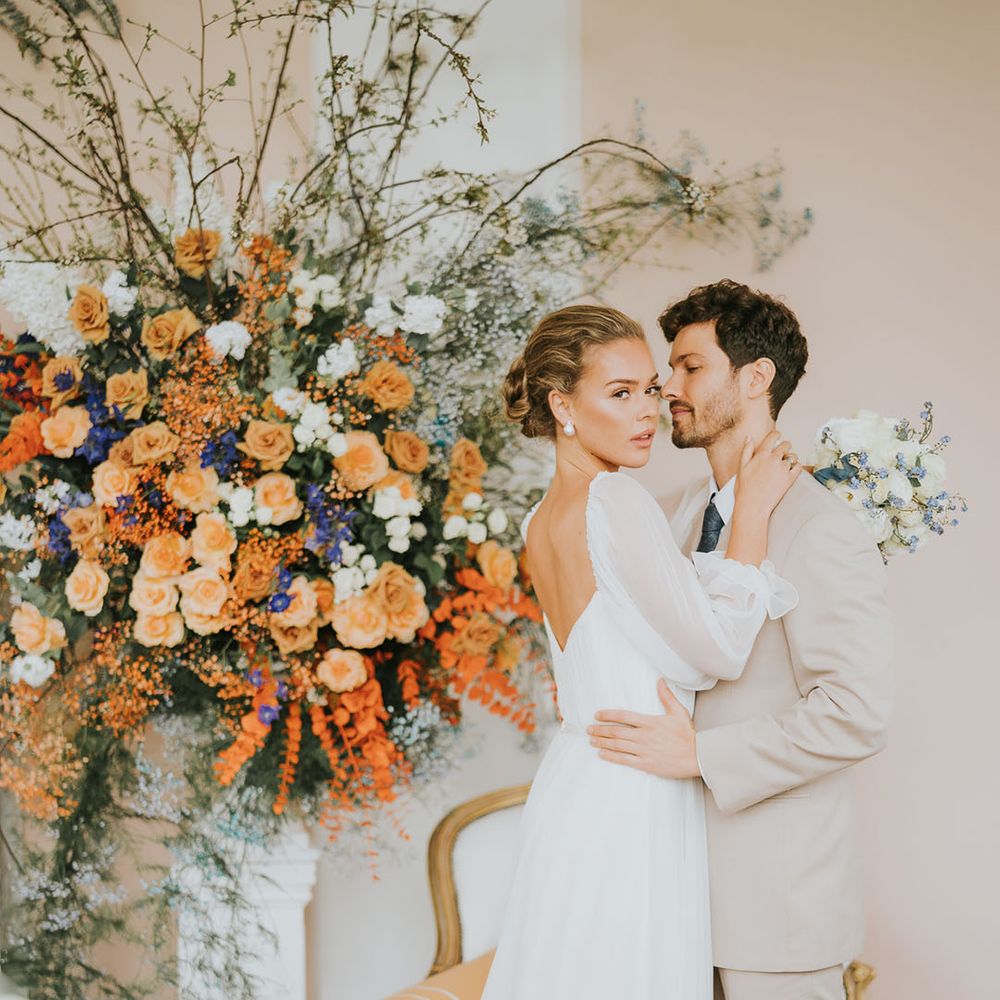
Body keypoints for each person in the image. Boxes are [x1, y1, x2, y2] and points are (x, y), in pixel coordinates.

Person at [481, 304, 800, 1000]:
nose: (647, 411)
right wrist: (750, 515)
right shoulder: (614, 501)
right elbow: (716, 652)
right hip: (634, 793)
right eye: (619, 394)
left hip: (580, 780)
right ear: (563, 404)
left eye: (650, 389)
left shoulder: (542, 517)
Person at [587, 280, 894, 1000]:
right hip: (673, 899)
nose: (669, 386)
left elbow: (857, 709)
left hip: (776, 913)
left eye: (692, 367)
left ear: (756, 378)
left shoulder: (822, 528)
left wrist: (701, 754)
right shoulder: (671, 515)